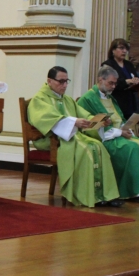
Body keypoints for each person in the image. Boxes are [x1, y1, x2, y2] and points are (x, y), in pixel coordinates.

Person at [27, 66, 123, 208]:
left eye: (67, 81)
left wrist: (99, 122)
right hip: (51, 140)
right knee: (88, 150)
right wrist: (74, 122)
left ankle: (106, 195)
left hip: (72, 137)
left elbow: (85, 115)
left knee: (99, 147)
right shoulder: (39, 99)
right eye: (61, 81)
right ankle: (90, 196)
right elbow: (45, 119)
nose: (65, 85)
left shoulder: (67, 100)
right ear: (49, 81)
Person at [78, 66, 139, 203]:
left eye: (115, 83)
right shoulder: (87, 99)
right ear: (100, 79)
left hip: (119, 135)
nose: (113, 86)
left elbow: (119, 118)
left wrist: (126, 128)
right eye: (111, 83)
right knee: (132, 148)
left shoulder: (110, 98)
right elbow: (90, 126)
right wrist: (119, 132)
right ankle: (137, 191)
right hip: (106, 139)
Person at [100, 38, 139, 119]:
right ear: (113, 50)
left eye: (126, 49)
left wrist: (136, 80)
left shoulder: (129, 64)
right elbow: (107, 83)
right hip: (115, 102)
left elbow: (135, 77)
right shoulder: (108, 65)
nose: (124, 51)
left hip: (130, 103)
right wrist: (127, 81)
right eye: (121, 48)